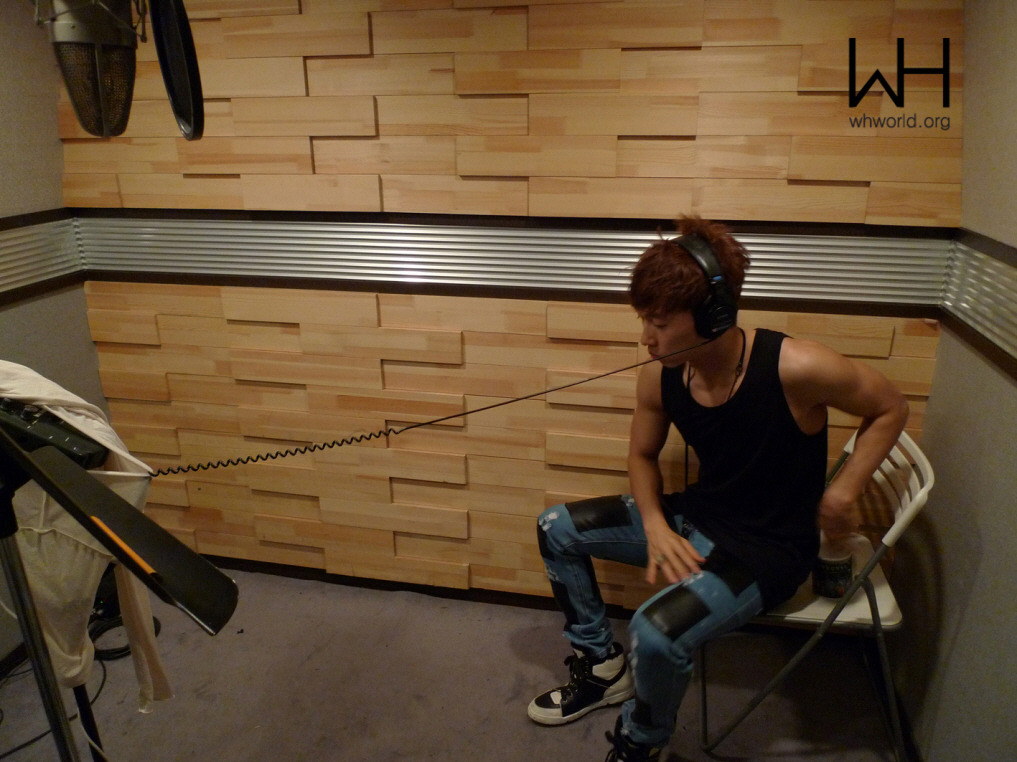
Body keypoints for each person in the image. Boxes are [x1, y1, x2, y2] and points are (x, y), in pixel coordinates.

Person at [527, 216, 909, 761]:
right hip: (700, 516)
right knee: (556, 528)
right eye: (644, 319)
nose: (646, 337)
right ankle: (602, 668)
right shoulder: (661, 373)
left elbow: (891, 407)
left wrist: (842, 493)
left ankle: (642, 742)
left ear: (714, 315)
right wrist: (655, 525)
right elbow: (641, 454)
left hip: (767, 551)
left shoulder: (797, 366)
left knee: (655, 632)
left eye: (659, 323)